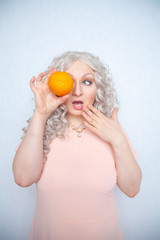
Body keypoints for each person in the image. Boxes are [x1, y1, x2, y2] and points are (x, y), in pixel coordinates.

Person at [12, 51, 142, 240]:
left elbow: (132, 189)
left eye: (87, 82)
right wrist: (40, 115)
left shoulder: (112, 130)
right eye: (69, 82)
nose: (77, 92)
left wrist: (118, 140)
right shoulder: (41, 128)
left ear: (98, 88)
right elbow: (23, 179)